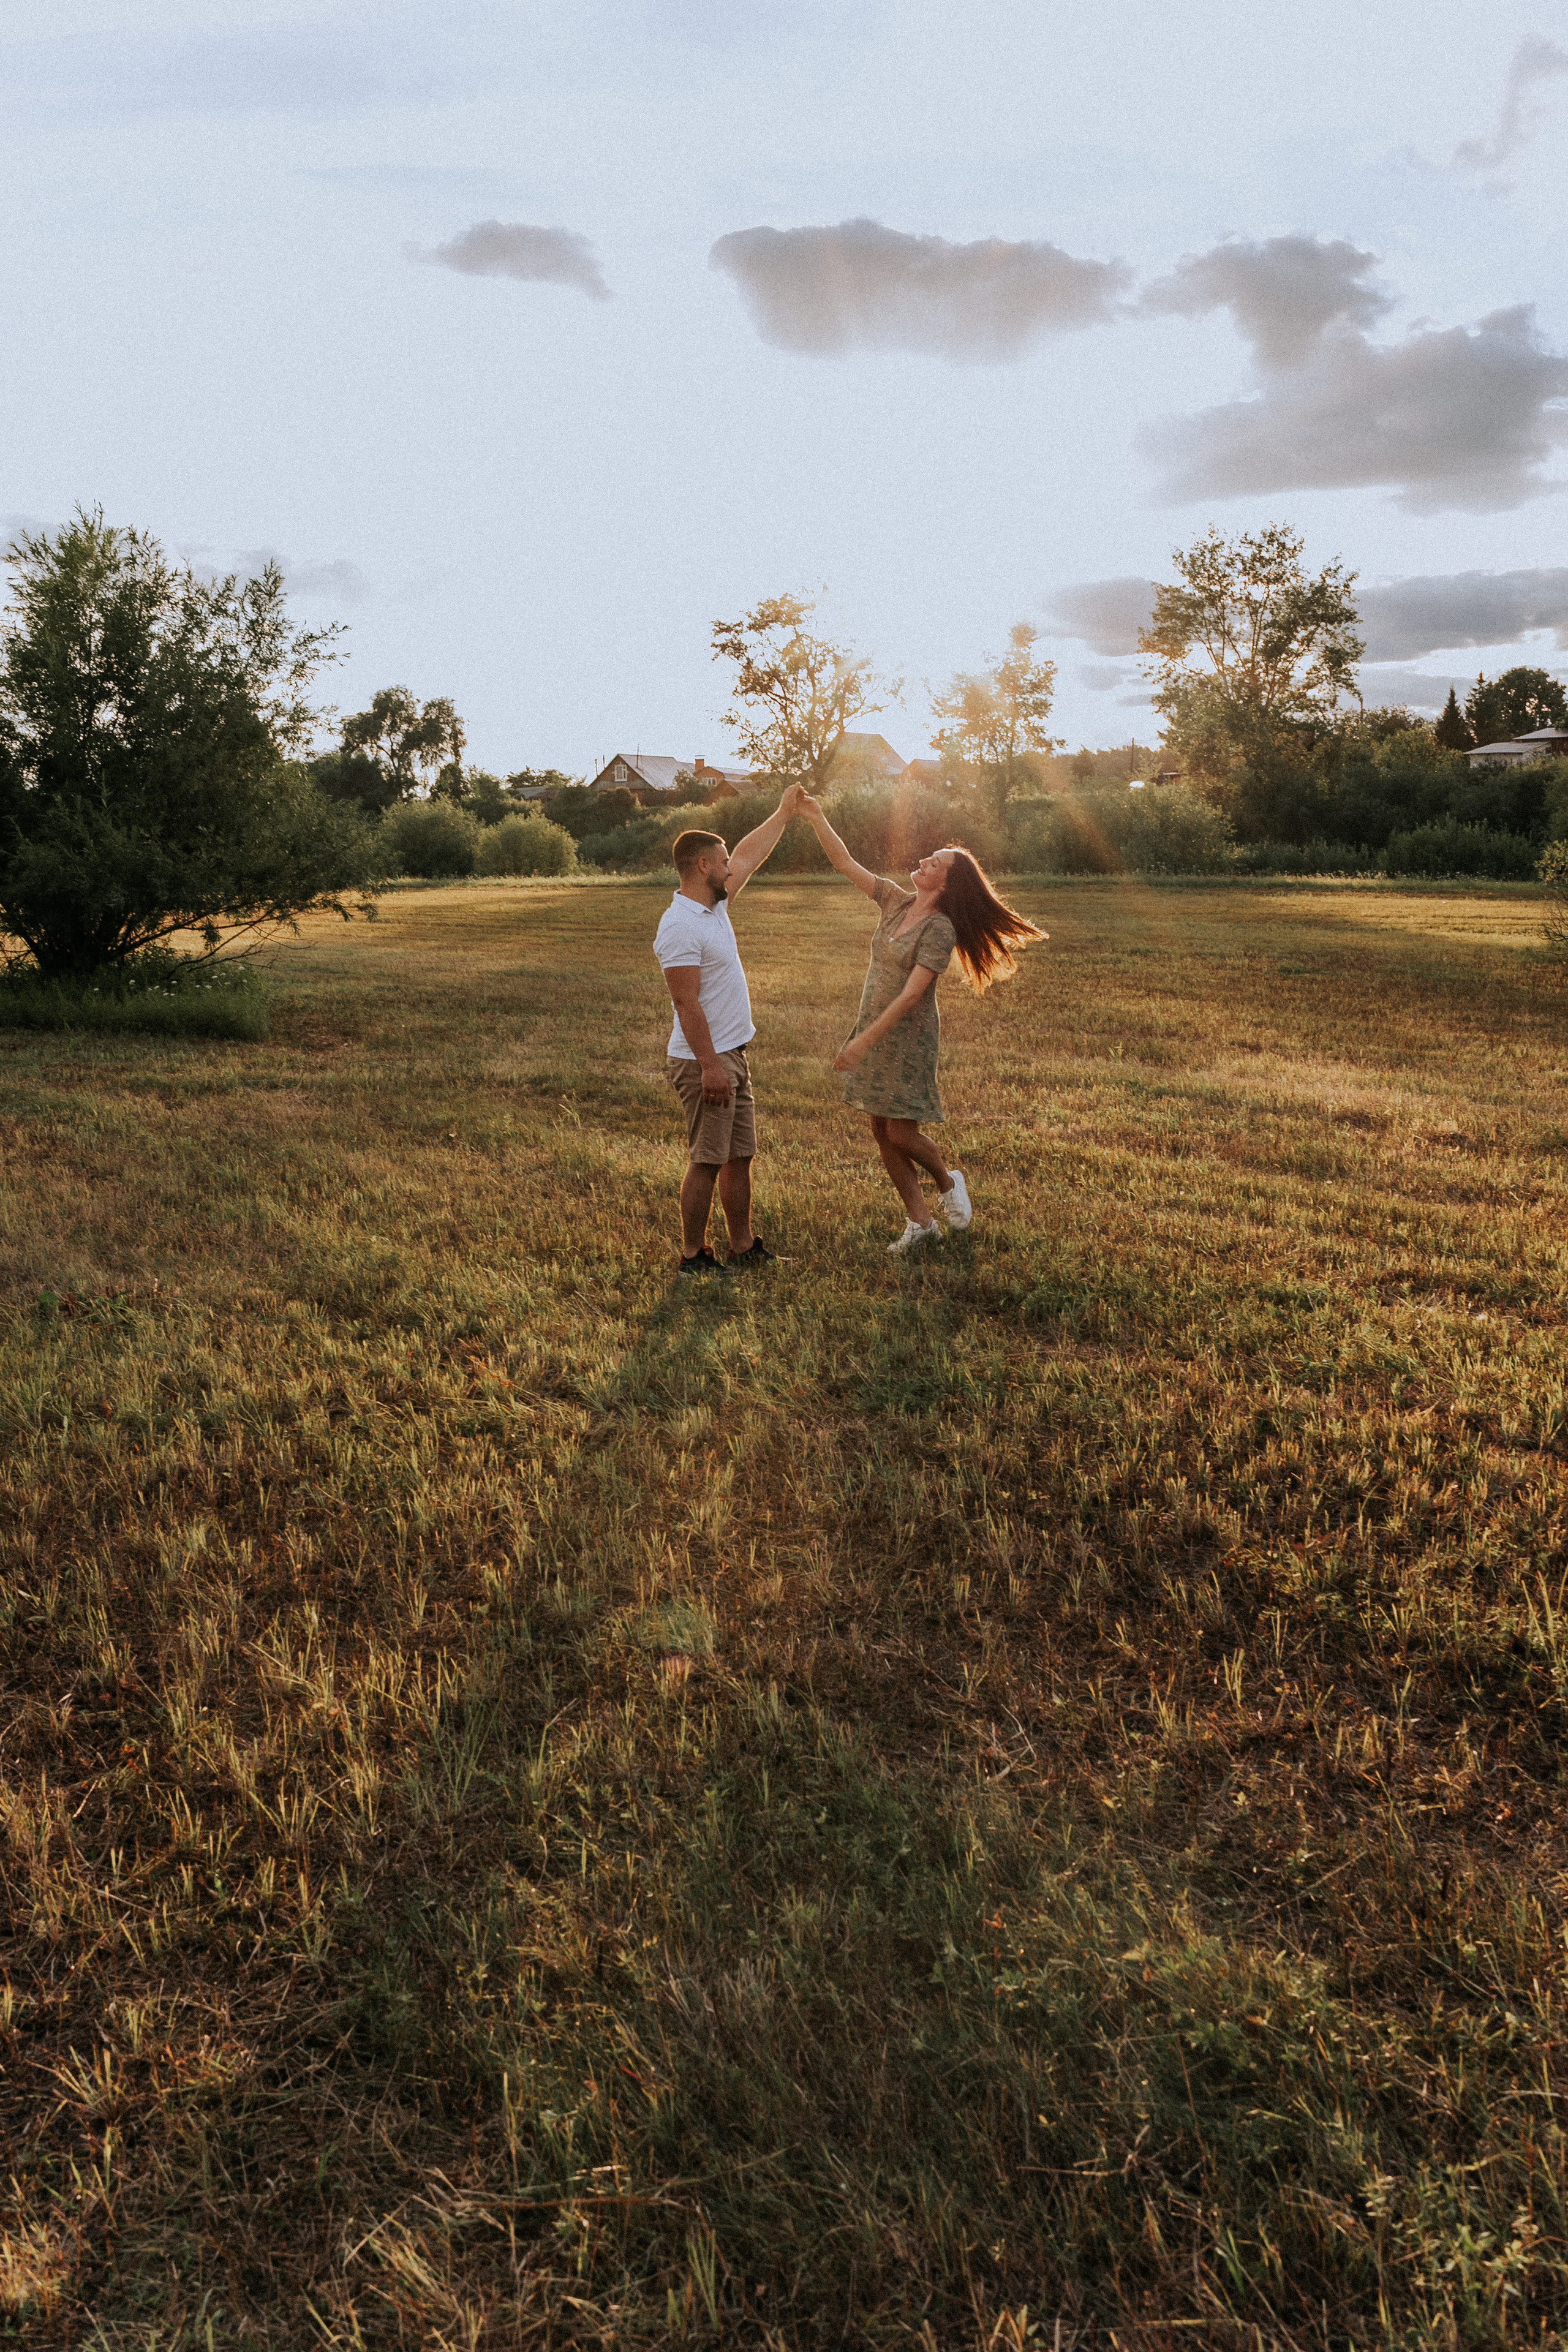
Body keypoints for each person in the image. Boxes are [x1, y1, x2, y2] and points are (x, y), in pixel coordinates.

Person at [798, 793, 1044, 1253]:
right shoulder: (894, 899)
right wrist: (816, 817)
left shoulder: (940, 929)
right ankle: (921, 1223)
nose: (923, 863)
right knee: (879, 1129)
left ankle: (949, 1181)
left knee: (900, 1131)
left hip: (905, 1037)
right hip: (873, 1027)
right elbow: (845, 862)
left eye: (934, 864)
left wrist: (861, 1044)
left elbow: (912, 995)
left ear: (948, 884)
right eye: (927, 858)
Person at [652, 784, 802, 1275]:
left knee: (740, 1158)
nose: (731, 868)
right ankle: (693, 1256)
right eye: (722, 862)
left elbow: (749, 854)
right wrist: (711, 1066)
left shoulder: (714, 907)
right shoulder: (679, 926)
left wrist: (783, 813)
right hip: (704, 1061)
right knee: (708, 1160)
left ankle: (743, 1246)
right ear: (702, 867)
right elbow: (684, 1001)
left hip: (733, 1054)